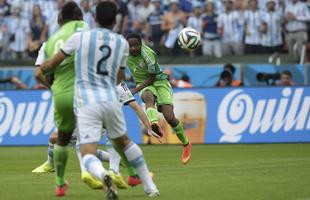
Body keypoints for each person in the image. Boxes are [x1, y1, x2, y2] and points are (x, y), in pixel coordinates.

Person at [39, 1, 159, 199]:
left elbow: (52, 63)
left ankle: (104, 175)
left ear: (94, 18)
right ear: (115, 21)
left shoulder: (80, 37)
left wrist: (45, 69)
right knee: (126, 143)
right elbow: (119, 78)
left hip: (87, 101)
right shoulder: (122, 42)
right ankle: (150, 187)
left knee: (86, 152)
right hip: (111, 98)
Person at [32, 82, 161, 190]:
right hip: (97, 118)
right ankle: (129, 169)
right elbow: (136, 107)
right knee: (91, 145)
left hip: (89, 118)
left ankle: (86, 172)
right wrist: (148, 128)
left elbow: (136, 107)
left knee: (66, 140)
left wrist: (148, 127)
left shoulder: (103, 81)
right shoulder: (116, 83)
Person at [33, 1, 89, 197]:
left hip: (61, 95)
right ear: (78, 17)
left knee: (61, 139)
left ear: (59, 20)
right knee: (98, 138)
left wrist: (53, 87)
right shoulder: (81, 28)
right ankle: (97, 172)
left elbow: (38, 73)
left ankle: (59, 183)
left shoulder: (49, 42)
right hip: (85, 93)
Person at [126, 32, 192, 165]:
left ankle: (186, 143)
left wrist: (134, 90)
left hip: (159, 82)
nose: (133, 48)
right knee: (147, 96)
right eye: (130, 46)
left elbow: (152, 78)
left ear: (141, 44)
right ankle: (154, 123)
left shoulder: (149, 55)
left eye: (136, 45)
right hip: (143, 84)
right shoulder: (122, 53)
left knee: (169, 117)